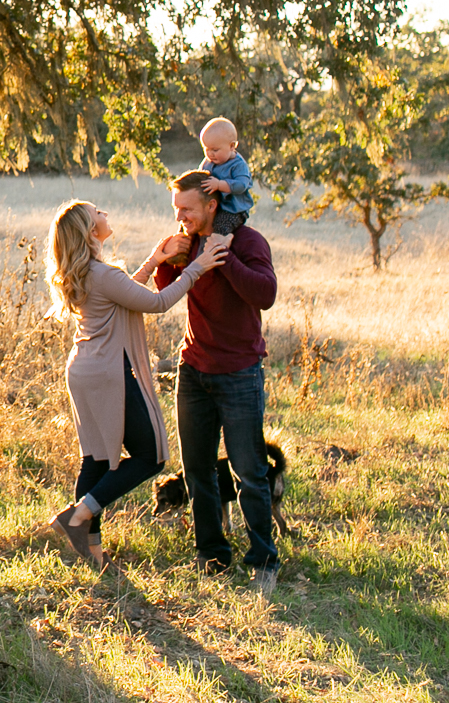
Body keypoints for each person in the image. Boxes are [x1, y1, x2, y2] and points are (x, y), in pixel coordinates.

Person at [46, 199, 227, 571]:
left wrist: (154, 260)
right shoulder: (102, 273)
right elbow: (156, 302)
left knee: (96, 459)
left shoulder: (83, 273)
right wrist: (197, 268)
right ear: (88, 229)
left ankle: (92, 551)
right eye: (98, 213)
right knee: (151, 456)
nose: (106, 215)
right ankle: (79, 514)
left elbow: (125, 295)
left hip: (83, 371)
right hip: (109, 373)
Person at [156, 170, 281, 594]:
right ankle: (212, 555)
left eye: (187, 208)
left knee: (249, 471)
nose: (180, 216)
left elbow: (265, 295)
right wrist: (164, 259)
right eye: (176, 209)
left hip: (240, 372)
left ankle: (264, 560)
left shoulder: (248, 242)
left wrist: (225, 258)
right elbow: (164, 294)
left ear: (212, 204)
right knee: (198, 471)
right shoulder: (185, 242)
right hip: (193, 370)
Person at [197, 117, 254, 236]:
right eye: (206, 149)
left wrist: (219, 185)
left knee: (220, 226)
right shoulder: (208, 161)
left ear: (232, 146)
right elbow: (200, 176)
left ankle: (220, 245)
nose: (210, 154)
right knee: (193, 219)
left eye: (215, 150)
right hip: (213, 205)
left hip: (232, 209)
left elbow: (241, 185)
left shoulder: (238, 165)